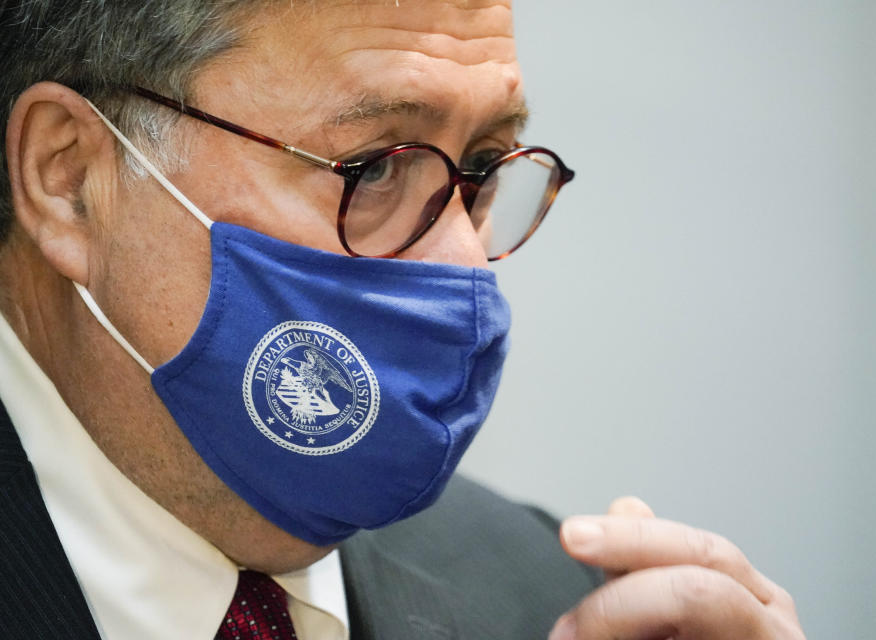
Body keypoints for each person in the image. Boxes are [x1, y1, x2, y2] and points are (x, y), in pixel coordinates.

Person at [0, 1, 807, 638]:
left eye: (486, 167)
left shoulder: (551, 603)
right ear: (70, 177)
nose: (465, 264)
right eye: (378, 168)